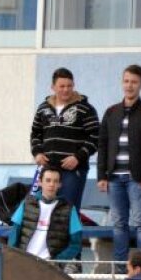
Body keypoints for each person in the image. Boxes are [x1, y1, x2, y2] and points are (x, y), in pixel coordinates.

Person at [96, 64, 141, 262]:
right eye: (126, 81)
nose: (129, 86)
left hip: (138, 178)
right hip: (114, 178)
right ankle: (120, 267)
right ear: (122, 83)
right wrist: (101, 176)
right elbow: (103, 145)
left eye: (134, 82)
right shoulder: (111, 112)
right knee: (118, 223)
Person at [29, 67, 99, 209]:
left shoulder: (85, 109)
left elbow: (96, 136)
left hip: (73, 171)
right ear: (53, 87)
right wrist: (37, 153)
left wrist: (78, 157)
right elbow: (35, 133)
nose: (66, 90)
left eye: (69, 86)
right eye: (62, 86)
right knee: (41, 210)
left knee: (68, 211)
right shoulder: (43, 108)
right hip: (47, 170)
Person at [8, 167, 83, 261]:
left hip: (51, 267)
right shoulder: (26, 203)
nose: (51, 184)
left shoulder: (69, 209)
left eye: (55, 181)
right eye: (48, 180)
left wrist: (58, 261)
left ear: (60, 184)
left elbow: (76, 244)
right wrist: (14, 258)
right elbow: (14, 236)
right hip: (26, 261)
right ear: (40, 182)